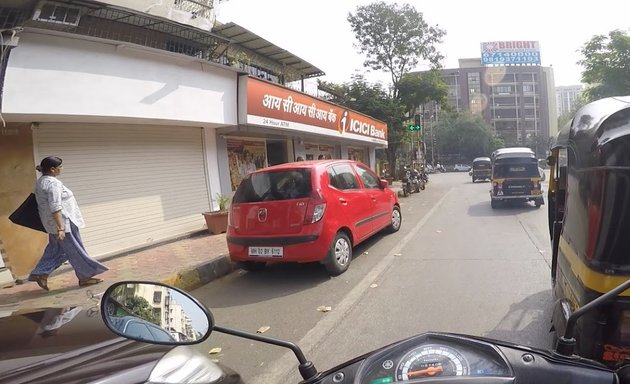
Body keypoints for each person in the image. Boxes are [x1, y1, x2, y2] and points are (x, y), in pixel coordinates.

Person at [28, 156, 108, 291]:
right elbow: (55, 206)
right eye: (60, 167)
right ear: (53, 169)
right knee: (75, 250)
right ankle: (85, 276)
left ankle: (40, 272)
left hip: (51, 224)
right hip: (64, 224)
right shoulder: (53, 184)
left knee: (58, 250)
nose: (62, 169)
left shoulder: (41, 181)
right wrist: (61, 228)